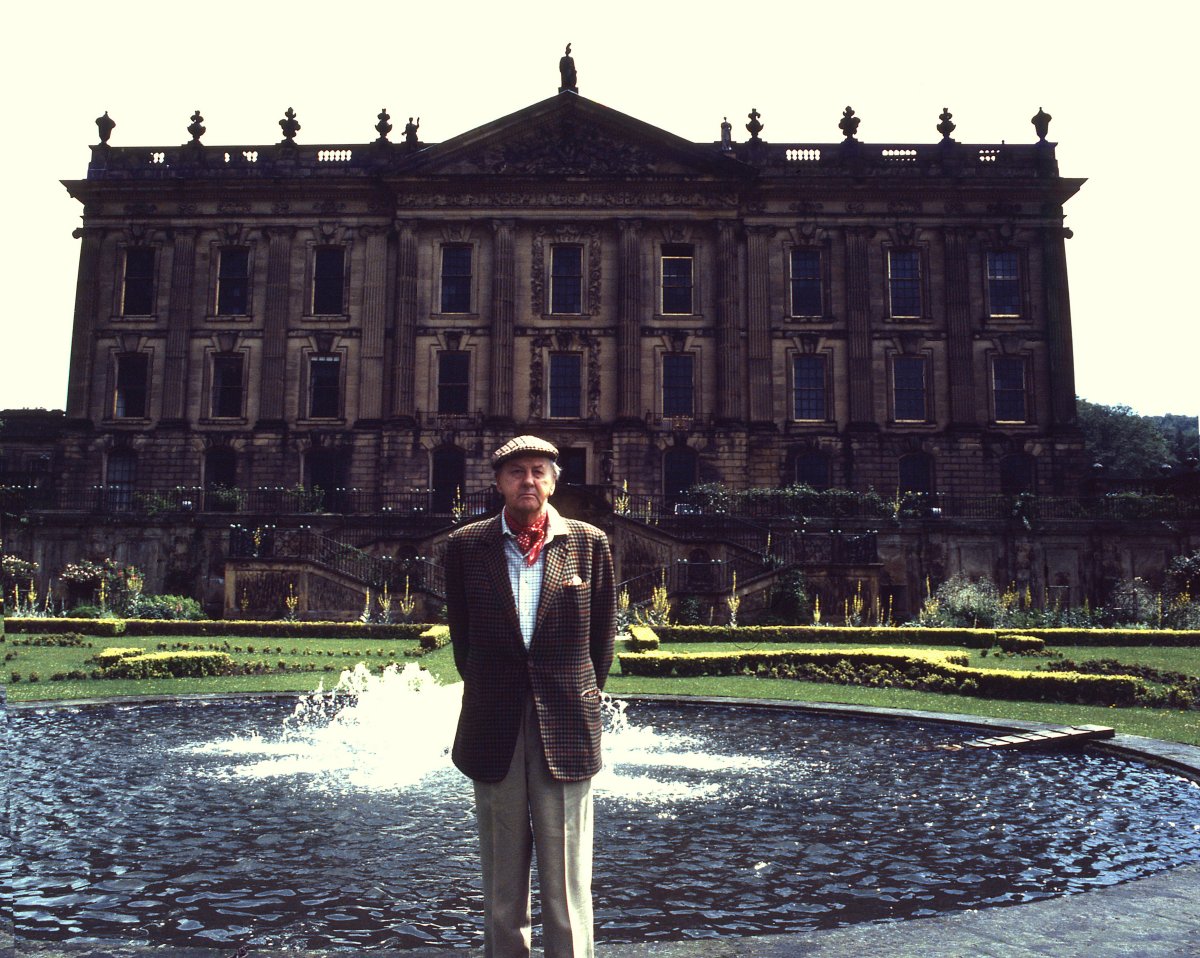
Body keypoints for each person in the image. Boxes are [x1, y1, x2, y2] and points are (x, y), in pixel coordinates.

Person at [445, 435, 616, 958]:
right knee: (501, 882)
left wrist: (574, 696)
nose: (528, 481)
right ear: (497, 482)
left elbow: (601, 643)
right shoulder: (466, 545)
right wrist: (494, 689)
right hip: (493, 721)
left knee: (568, 885)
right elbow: (463, 639)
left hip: (566, 720)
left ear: (554, 480)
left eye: (539, 470)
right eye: (516, 471)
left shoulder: (589, 543)